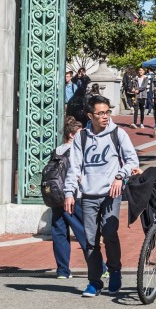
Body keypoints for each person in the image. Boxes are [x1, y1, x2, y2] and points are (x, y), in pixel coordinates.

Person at [64, 95, 140, 297]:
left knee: (109, 234)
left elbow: (132, 161)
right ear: (90, 115)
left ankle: (115, 270)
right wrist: (69, 193)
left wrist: (120, 176)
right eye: (100, 113)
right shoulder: (81, 137)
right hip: (88, 194)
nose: (105, 116)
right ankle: (94, 281)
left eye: (107, 111)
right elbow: (74, 167)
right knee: (90, 241)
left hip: (110, 194)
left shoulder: (118, 134)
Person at [52, 116, 89, 279]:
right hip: (74, 196)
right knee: (84, 232)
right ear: (72, 135)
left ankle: (62, 270)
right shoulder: (76, 152)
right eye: (80, 134)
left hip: (56, 197)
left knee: (59, 233)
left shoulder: (57, 150)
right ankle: (100, 268)